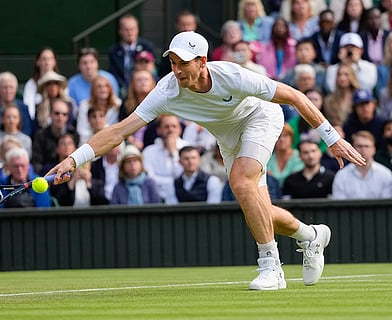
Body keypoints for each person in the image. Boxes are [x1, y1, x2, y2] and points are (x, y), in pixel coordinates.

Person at [48, 31, 365, 290]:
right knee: (260, 209)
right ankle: (311, 236)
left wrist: (333, 139)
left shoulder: (233, 75)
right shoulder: (167, 91)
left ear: (202, 61)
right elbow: (119, 131)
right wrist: (74, 160)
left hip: (261, 118)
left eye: (183, 62)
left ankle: (271, 267)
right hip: (228, 138)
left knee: (241, 183)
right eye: (172, 62)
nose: (176, 69)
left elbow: (295, 96)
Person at [141, 115, 190, 204]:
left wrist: (173, 152)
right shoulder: (149, 151)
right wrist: (171, 182)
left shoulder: (188, 148)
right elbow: (149, 179)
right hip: (156, 199)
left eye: (174, 126)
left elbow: (186, 177)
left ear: (180, 130)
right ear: (159, 130)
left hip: (183, 198)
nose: (170, 130)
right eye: (166, 127)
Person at [48, 133, 106, 207]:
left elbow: (103, 202)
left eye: (69, 143)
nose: (66, 147)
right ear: (57, 148)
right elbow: (58, 202)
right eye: (63, 143)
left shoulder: (96, 173)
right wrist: (71, 183)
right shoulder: (55, 173)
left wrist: (89, 183)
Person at [332, 130, 392, 199]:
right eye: (359, 146)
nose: (363, 149)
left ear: (374, 149)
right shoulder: (341, 175)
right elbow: (339, 205)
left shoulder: (385, 174)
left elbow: (386, 205)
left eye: (366, 146)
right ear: (353, 148)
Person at [108, 14, 155, 98]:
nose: (130, 32)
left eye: (132, 29)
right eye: (126, 30)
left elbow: (153, 72)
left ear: (137, 30)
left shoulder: (147, 47)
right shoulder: (113, 51)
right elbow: (114, 73)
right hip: (120, 92)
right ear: (120, 31)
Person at [32, 98, 79, 176]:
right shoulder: (40, 135)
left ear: (67, 117)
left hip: (70, 175)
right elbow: (37, 164)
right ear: (50, 114)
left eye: (64, 114)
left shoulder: (74, 134)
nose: (60, 117)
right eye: (57, 113)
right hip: (47, 177)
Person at [0, 104, 32, 173]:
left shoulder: (26, 140)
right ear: (2, 119)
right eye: (8, 117)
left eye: (14, 117)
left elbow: (27, 163)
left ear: (19, 119)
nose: (11, 120)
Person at [76, 76, 121, 145]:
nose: (103, 89)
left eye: (106, 86)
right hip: (89, 142)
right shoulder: (84, 105)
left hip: (112, 141)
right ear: (93, 90)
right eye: (99, 87)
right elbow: (82, 130)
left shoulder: (118, 104)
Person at [119, 69, 157, 150]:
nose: (143, 82)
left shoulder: (160, 103)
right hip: (130, 145)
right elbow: (121, 126)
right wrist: (131, 139)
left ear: (152, 82)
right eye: (139, 80)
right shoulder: (126, 104)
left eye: (146, 79)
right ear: (133, 84)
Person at [159, 10, 200, 77]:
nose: (186, 28)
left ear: (195, 25)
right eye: (182, 24)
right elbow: (163, 72)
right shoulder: (169, 46)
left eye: (189, 24)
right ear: (177, 25)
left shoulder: (204, 44)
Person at [22, 47, 59, 120]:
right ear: (38, 62)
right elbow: (29, 107)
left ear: (54, 62)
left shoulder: (61, 81)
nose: (47, 62)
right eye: (44, 59)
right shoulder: (31, 84)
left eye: (50, 59)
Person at [267, 123, 305, 188]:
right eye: (278, 136)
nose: (282, 139)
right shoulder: (268, 158)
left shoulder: (300, 156)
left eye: (285, 136)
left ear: (291, 138)